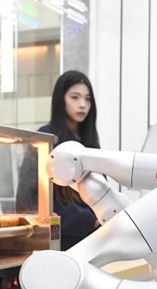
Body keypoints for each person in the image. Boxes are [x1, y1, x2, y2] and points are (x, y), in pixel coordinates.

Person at [16, 70, 100, 250]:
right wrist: (90, 220)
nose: (82, 105)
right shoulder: (46, 138)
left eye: (88, 99)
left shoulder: (88, 140)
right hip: (58, 243)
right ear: (61, 100)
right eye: (75, 97)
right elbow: (33, 198)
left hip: (91, 240)